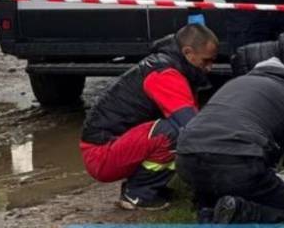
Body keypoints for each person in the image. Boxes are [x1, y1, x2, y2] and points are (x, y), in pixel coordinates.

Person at [79, 24, 219, 211]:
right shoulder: (165, 75)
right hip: (101, 155)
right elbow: (192, 126)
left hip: (110, 145)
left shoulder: (171, 67)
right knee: (175, 133)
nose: (210, 67)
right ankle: (138, 193)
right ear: (188, 52)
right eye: (206, 60)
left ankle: (147, 185)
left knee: (178, 132)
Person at [177, 57, 284, 224]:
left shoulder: (233, 84)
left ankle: (208, 213)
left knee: (219, 197)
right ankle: (239, 212)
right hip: (239, 160)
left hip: (186, 156)